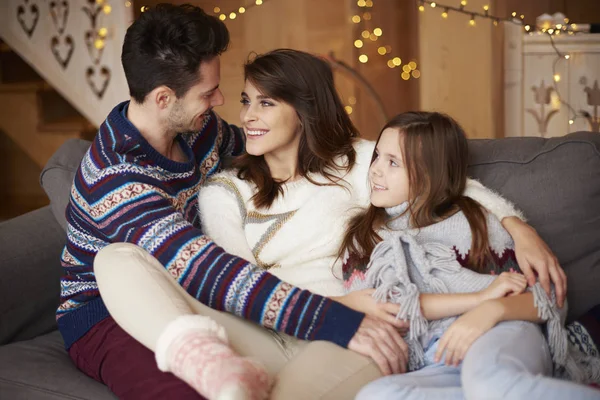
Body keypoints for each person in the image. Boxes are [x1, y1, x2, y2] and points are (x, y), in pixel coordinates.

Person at [59, 3, 568, 399]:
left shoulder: (206, 136)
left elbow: (432, 178)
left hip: (289, 321)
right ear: (165, 99)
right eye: (215, 94)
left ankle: (221, 365)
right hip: (113, 312)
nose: (225, 107)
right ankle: (208, 362)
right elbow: (210, 274)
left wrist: (516, 225)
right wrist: (341, 315)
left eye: (251, 99)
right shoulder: (120, 182)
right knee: (116, 262)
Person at [334, 111, 600, 399]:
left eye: (393, 162)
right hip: (439, 361)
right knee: (377, 396)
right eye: (377, 156)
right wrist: (479, 299)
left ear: (429, 173)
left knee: (489, 382)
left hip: (501, 332)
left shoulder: (474, 222)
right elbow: (387, 308)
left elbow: (548, 299)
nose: (375, 170)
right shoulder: (362, 238)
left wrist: (490, 310)